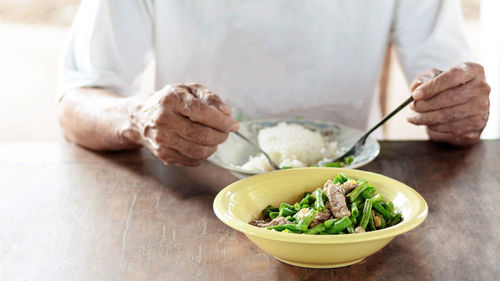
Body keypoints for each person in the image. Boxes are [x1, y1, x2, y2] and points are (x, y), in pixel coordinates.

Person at [58, 0, 490, 167]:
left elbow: (453, 92)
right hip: (197, 192)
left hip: (345, 191)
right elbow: (76, 103)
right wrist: (138, 116)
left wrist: (458, 109)